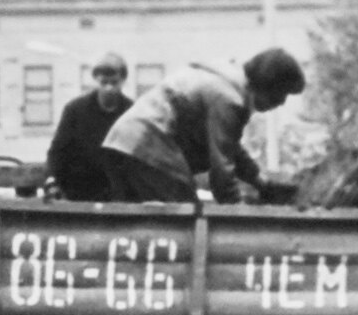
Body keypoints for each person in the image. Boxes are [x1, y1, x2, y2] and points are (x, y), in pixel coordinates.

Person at [102, 48, 305, 205]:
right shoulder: (229, 99)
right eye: (281, 94)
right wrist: (239, 216)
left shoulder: (224, 81)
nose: (281, 103)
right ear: (267, 86)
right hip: (149, 146)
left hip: (122, 142)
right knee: (185, 219)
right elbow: (222, 169)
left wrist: (262, 183)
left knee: (138, 226)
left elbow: (228, 147)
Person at [45, 52, 135, 202]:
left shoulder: (131, 113)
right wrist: (52, 181)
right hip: (79, 193)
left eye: (114, 82)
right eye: (104, 82)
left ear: (123, 81)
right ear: (96, 80)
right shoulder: (75, 110)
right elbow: (58, 152)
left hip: (118, 196)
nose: (109, 88)